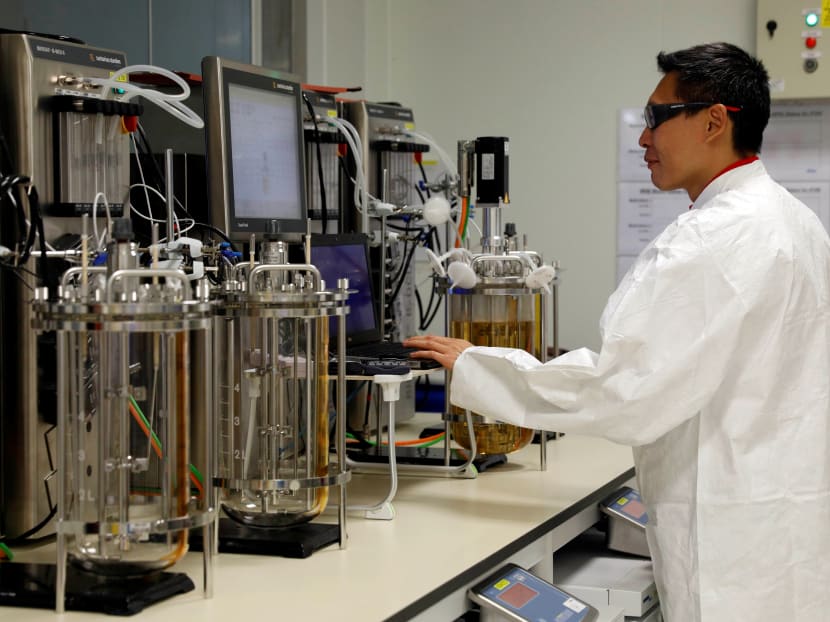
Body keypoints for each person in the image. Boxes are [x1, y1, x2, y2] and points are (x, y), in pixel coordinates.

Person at [404, 42, 830, 621]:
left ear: (713, 121)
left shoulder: (711, 240)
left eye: (657, 118)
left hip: (730, 544)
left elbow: (624, 392)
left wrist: (479, 366)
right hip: (784, 531)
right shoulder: (794, 220)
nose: (643, 138)